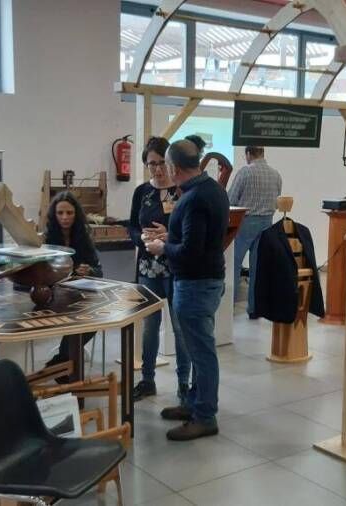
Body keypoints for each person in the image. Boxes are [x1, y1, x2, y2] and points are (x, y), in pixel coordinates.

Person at [145, 135, 229, 441]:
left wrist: (161, 248)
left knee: (202, 353)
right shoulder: (211, 189)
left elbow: (192, 252)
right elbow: (201, 241)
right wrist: (171, 235)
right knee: (197, 350)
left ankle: (205, 416)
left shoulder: (194, 198)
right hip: (205, 280)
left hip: (195, 284)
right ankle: (194, 403)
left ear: (173, 166)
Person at [127, 136, 191, 403]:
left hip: (175, 268)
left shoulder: (182, 192)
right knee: (149, 327)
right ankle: (147, 379)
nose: (157, 169)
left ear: (170, 163)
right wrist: (139, 238)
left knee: (179, 328)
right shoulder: (142, 192)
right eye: (151, 164)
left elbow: (188, 230)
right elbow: (130, 225)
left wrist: (169, 235)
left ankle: (183, 384)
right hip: (148, 268)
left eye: (161, 163)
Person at [44, 192, 103, 381]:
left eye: (69, 213)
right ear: (54, 214)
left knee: (92, 323)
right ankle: (64, 369)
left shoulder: (84, 237)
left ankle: (58, 365)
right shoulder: (47, 238)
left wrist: (90, 271)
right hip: (54, 296)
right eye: (60, 213)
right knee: (74, 327)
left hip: (80, 296)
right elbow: (41, 272)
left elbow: (99, 271)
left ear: (76, 214)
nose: (65, 217)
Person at [228, 146, 282, 307]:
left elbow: (231, 199)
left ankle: (231, 305)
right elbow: (277, 197)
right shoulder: (275, 174)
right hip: (267, 222)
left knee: (234, 264)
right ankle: (254, 307)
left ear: (248, 154)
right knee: (257, 267)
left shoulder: (245, 172)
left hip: (245, 222)